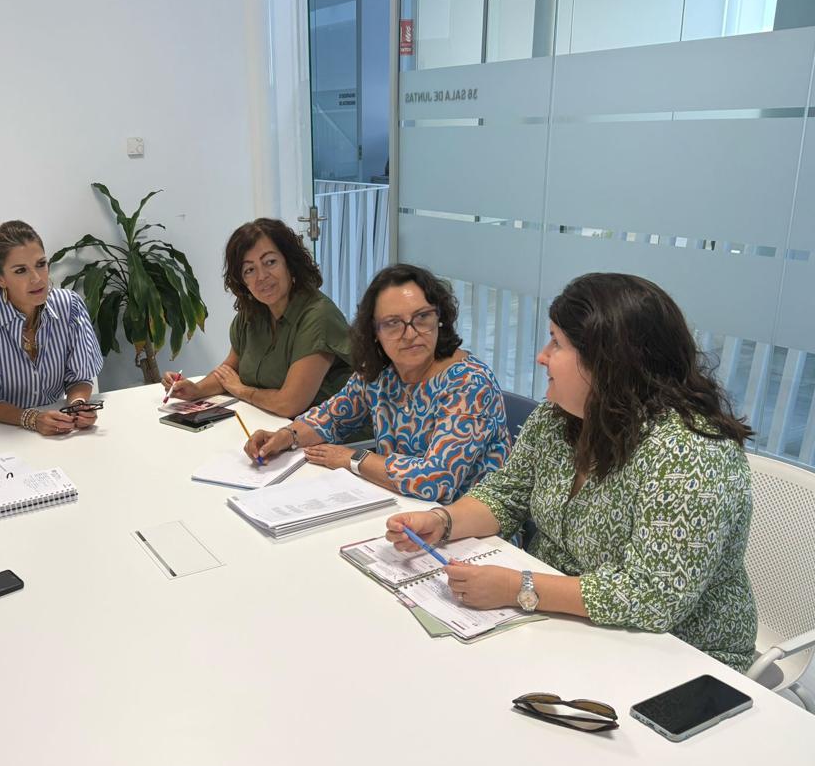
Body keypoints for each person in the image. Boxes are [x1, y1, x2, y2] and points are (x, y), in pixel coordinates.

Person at [384, 273, 758, 671]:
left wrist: (519, 588)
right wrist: (440, 521)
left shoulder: (690, 454)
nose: (542, 356)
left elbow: (652, 598)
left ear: (608, 362)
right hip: (566, 624)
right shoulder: (559, 415)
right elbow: (506, 494)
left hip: (680, 655)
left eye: (557, 343)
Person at [246, 264, 509, 502]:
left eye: (422, 317)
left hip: (470, 531)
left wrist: (354, 459)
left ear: (440, 318)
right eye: (393, 323)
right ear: (375, 332)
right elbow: (332, 418)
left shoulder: (468, 383)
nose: (410, 334)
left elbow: (436, 479)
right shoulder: (380, 371)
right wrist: (286, 436)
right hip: (401, 507)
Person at [161, 218, 351, 418]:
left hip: (330, 438)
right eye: (249, 270)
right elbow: (229, 371)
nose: (261, 277)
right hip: (272, 425)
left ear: (290, 263)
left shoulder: (318, 316)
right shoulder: (251, 313)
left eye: (270, 262)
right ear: (242, 281)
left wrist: (241, 390)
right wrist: (195, 390)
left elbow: (289, 404)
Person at [0, 220, 103, 434]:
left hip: (58, 430)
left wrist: (78, 406)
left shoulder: (69, 306)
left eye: (41, 264)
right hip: (1, 434)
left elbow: (79, 378)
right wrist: (32, 419)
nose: (37, 279)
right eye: (21, 270)